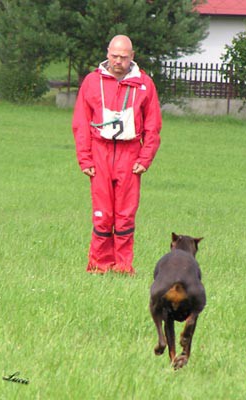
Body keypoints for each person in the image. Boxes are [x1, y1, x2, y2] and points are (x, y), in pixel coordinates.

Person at [72, 34, 162, 275]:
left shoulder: (144, 84)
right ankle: (99, 265)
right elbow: (81, 123)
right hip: (99, 153)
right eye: (114, 56)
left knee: (125, 215)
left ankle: (122, 266)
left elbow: (153, 125)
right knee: (102, 215)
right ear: (107, 53)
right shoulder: (91, 82)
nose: (118, 61)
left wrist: (145, 159)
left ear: (132, 57)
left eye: (123, 57)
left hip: (130, 155)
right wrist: (85, 158)